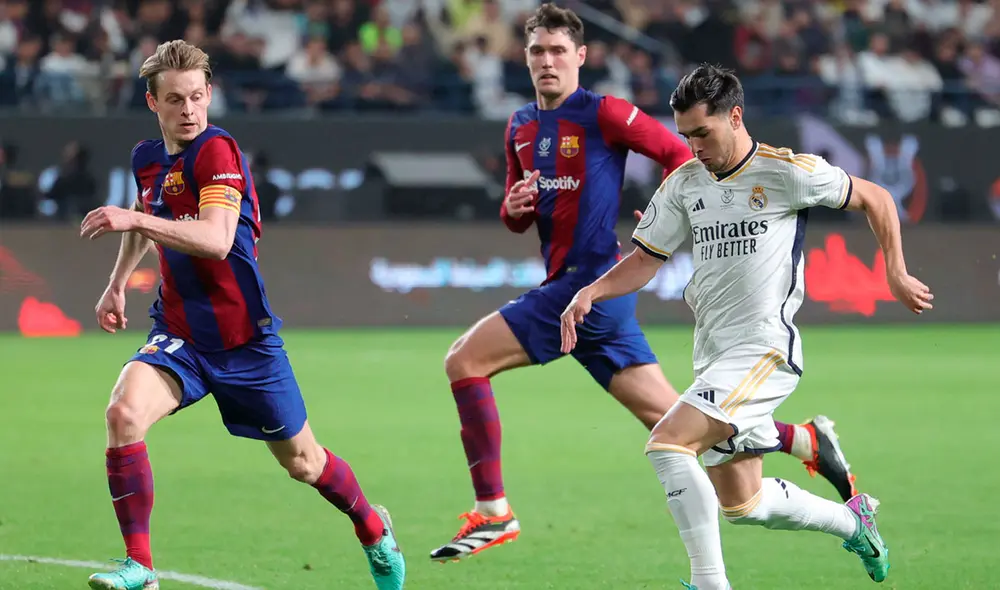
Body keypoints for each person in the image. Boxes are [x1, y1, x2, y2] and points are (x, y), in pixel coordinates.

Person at [431, 3, 859, 563]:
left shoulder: (605, 111)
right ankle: (801, 439)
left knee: (463, 362)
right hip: (580, 292)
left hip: (589, 288)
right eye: (537, 51)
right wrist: (512, 206)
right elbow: (518, 216)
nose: (547, 62)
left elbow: (678, 153)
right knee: (681, 423)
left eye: (559, 51)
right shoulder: (520, 126)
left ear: (580, 56)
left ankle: (493, 513)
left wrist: (666, 211)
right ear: (526, 56)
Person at [560, 64, 934, 589]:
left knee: (667, 444)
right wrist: (591, 291)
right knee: (744, 504)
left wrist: (895, 270)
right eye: (685, 135)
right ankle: (855, 523)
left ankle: (709, 583)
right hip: (713, 354)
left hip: (764, 350)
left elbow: (876, 196)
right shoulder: (684, 184)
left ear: (735, 116)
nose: (693, 146)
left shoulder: (787, 171)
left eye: (702, 133)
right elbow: (647, 259)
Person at [79, 40, 405, 590]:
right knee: (123, 414)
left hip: (244, 343)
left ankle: (373, 527)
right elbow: (145, 213)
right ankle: (141, 568)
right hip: (181, 332)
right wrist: (116, 285)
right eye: (176, 99)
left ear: (210, 96)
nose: (189, 110)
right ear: (152, 103)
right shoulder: (148, 158)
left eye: (198, 97)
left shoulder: (217, 151)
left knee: (304, 463)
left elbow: (215, 238)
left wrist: (128, 219)